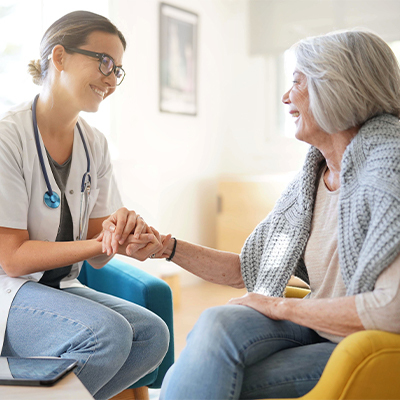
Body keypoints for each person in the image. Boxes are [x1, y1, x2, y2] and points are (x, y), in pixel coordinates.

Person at [102, 29, 400, 399]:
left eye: (296, 83)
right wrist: (166, 247)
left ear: (337, 88)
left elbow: (391, 310)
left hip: (370, 345)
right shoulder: (312, 179)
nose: (285, 97)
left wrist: (278, 306)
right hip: (318, 325)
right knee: (217, 322)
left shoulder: (389, 173)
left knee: (212, 373)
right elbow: (250, 268)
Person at [0, 11, 170, 400]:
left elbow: (99, 251)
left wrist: (125, 236)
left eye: (118, 70)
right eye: (104, 62)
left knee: (151, 336)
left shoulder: (95, 144)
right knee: (106, 335)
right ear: (59, 57)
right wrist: (101, 244)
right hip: (8, 292)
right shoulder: (7, 138)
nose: (111, 79)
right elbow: (11, 258)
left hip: (57, 288)